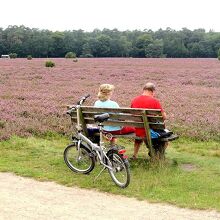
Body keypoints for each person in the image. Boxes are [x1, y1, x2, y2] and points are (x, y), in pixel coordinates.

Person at [131, 82, 167, 159]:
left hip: (138, 130)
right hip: (150, 131)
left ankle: (135, 155)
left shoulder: (134, 100)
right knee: (165, 136)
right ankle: (158, 155)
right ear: (152, 91)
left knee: (140, 134)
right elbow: (163, 117)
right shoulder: (154, 101)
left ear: (143, 90)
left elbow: (132, 115)